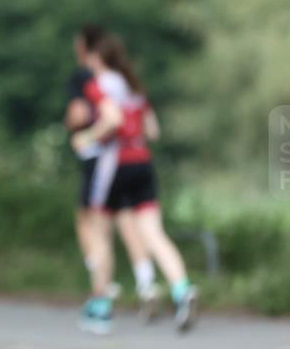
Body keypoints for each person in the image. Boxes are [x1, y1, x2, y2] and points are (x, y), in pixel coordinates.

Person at [72, 35, 199, 333]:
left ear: (98, 59)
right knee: (153, 233)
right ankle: (182, 290)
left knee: (100, 234)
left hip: (113, 165)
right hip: (142, 162)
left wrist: (87, 138)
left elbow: (113, 119)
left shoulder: (98, 84)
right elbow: (152, 130)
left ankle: (101, 305)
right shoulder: (135, 86)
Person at [65, 25, 157, 304]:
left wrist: (83, 133)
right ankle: (146, 282)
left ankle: (101, 290)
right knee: (128, 221)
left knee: (93, 223)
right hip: (134, 157)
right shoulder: (128, 81)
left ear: (88, 50)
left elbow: (81, 115)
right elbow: (150, 127)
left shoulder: (88, 79)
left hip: (103, 157)